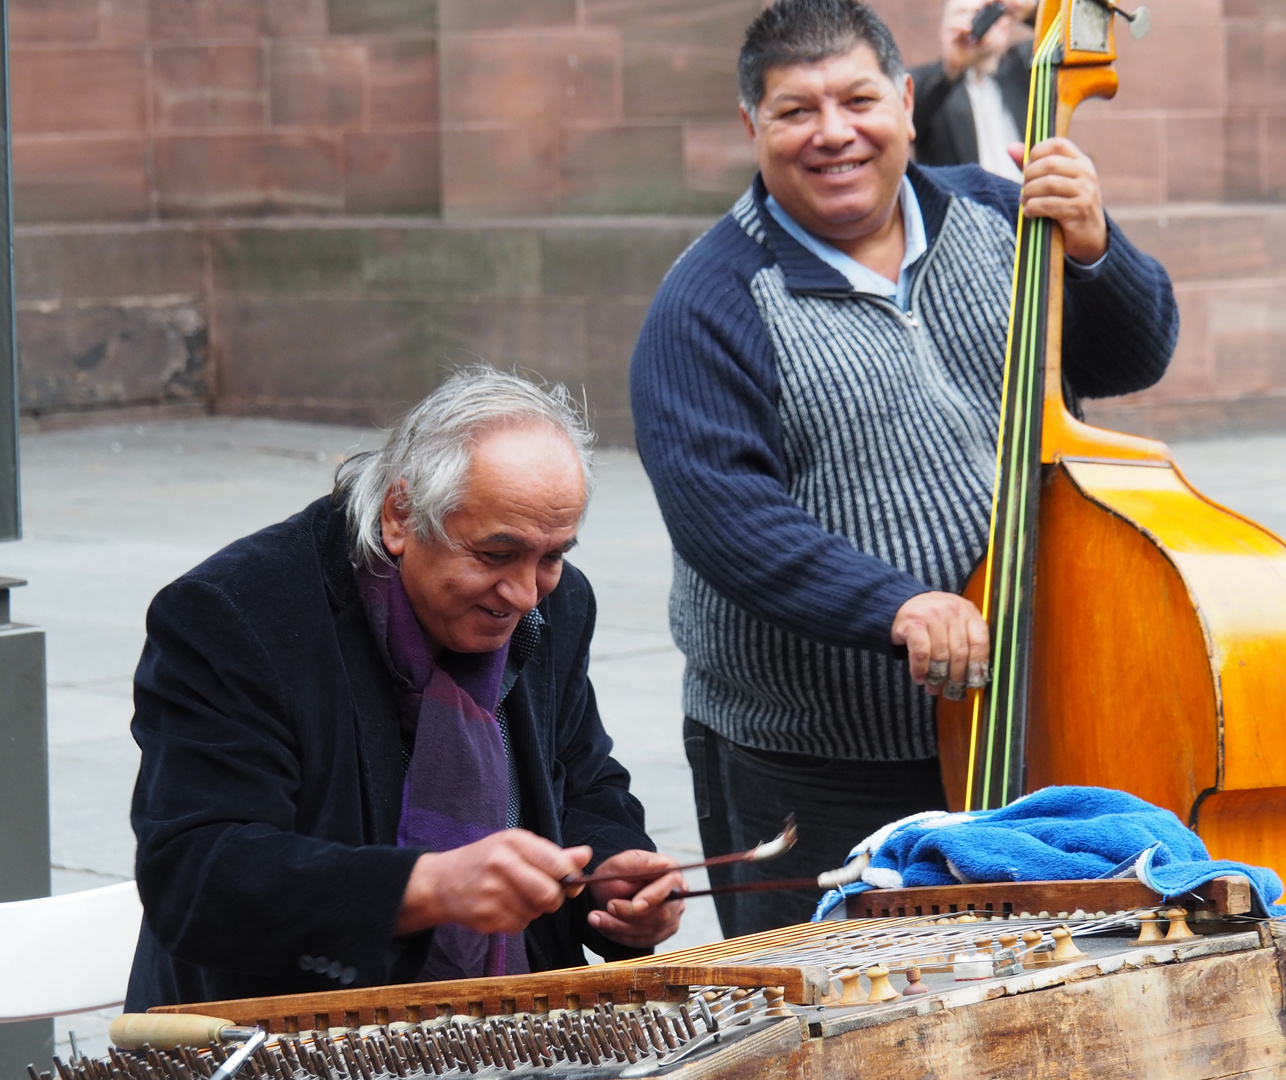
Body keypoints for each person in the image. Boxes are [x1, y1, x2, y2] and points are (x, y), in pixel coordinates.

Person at [629, 0, 1178, 937]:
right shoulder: (706, 301)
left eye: (857, 99)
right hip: (821, 757)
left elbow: (1131, 357)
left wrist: (1096, 250)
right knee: (837, 1018)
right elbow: (727, 519)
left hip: (1035, 714)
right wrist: (896, 604)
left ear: (908, 102)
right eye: (797, 110)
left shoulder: (1001, 212)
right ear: (751, 126)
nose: (834, 133)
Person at [125, 367, 685, 1009]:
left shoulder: (557, 605)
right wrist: (426, 886)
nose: (526, 595)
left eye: (553, 555)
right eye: (495, 555)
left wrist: (613, 876)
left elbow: (582, 778)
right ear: (400, 515)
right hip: (288, 1030)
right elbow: (199, 874)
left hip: (513, 1016)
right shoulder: (235, 614)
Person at [911, 0, 1033, 176]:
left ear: (1004, 29)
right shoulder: (926, 84)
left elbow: (1070, 39)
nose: (970, 23)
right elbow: (906, 122)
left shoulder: (1021, 68)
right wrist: (952, 69)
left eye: (980, 13)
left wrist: (1031, 13)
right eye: (961, 14)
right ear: (943, 30)